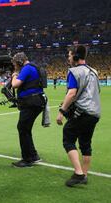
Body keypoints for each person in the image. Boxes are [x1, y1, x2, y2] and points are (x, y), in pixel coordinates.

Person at [56, 45, 101, 187]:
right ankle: (85, 174)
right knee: (85, 144)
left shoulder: (74, 71)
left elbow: (71, 93)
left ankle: (78, 173)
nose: (68, 58)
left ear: (75, 56)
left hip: (82, 112)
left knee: (68, 138)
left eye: (69, 55)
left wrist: (62, 112)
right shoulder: (94, 71)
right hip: (95, 113)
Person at [11, 52, 46, 167]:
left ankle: (27, 159)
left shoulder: (26, 68)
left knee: (22, 128)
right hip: (37, 101)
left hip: (31, 102)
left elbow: (15, 84)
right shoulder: (33, 67)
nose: (15, 67)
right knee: (25, 129)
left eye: (16, 64)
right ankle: (33, 155)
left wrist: (14, 75)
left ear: (20, 62)